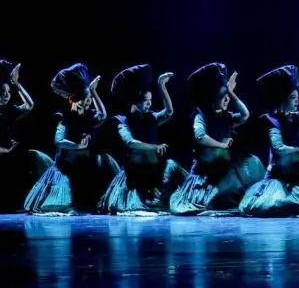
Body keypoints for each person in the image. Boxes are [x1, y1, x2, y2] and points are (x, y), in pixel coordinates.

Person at [170, 63, 265, 215]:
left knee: (253, 162)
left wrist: (231, 92)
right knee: (221, 192)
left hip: (224, 169)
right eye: (223, 96)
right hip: (206, 174)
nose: (227, 99)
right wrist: (221, 145)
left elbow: (245, 115)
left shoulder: (226, 116)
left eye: (228, 96)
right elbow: (200, 137)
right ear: (212, 98)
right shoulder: (201, 116)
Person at [25, 63, 120, 214]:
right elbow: (59, 141)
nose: (89, 102)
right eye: (86, 99)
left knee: (105, 161)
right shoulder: (67, 118)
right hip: (67, 167)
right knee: (62, 201)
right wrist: (78, 146)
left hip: (85, 166)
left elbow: (102, 115)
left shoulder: (89, 116)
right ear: (74, 101)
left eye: (90, 99)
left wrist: (94, 92)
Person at [240, 65, 299, 217]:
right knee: (280, 203)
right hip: (280, 178)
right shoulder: (272, 120)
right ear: (283, 99)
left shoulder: (296, 117)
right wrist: (298, 149)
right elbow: (278, 148)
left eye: (298, 97)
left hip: (298, 174)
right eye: (293, 97)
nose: (297, 101)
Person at [100, 64, 187, 215]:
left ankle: (162, 196)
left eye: (150, 100)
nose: (149, 104)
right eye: (146, 100)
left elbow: (169, 112)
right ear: (135, 101)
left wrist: (161, 86)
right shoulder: (123, 120)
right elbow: (130, 142)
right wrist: (155, 147)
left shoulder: (151, 117)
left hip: (152, 171)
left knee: (172, 166)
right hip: (134, 173)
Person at [0, 60, 52, 212]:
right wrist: (6, 151)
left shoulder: (9, 111)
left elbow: (29, 105)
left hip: (10, 154)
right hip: (3, 153)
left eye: (8, 92)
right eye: (2, 92)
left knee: (39, 158)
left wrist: (16, 84)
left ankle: (43, 199)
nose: (6, 95)